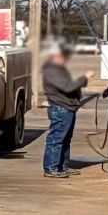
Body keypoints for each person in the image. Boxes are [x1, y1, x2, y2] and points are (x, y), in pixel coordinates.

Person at [40, 41, 85, 178]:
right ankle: (51, 168)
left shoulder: (59, 68)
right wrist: (83, 78)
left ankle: (62, 166)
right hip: (60, 107)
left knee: (65, 138)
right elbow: (67, 87)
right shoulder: (51, 70)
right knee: (56, 138)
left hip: (68, 106)